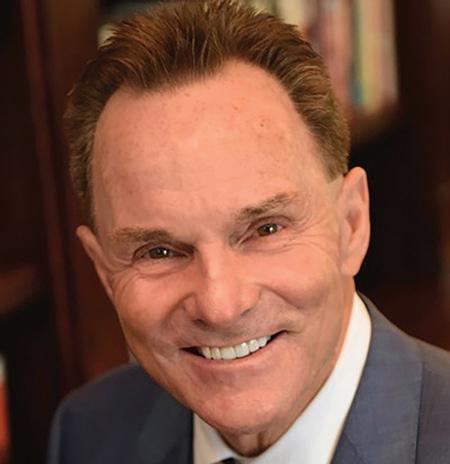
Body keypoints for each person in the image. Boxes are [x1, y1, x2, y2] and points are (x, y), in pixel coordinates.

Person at [47, 1, 450, 463]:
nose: (220, 306)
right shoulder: (88, 432)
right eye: (159, 251)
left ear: (351, 223)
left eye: (265, 229)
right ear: (104, 273)